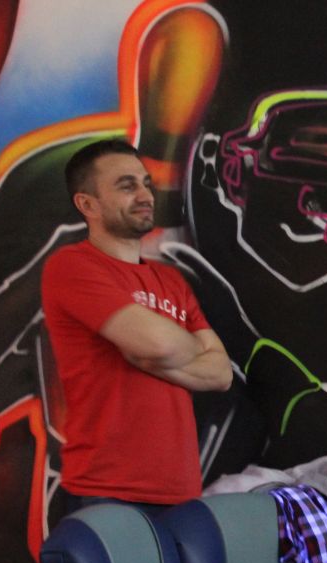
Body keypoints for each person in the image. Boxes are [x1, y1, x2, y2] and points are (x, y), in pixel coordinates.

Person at [41, 139, 232, 513]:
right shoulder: (72, 266)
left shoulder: (172, 281)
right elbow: (159, 346)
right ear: (88, 205)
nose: (145, 196)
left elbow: (221, 373)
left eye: (146, 183)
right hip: (105, 492)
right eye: (127, 186)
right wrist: (183, 349)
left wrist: (153, 355)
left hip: (181, 492)